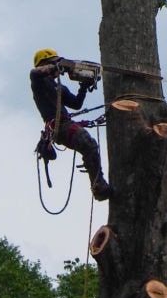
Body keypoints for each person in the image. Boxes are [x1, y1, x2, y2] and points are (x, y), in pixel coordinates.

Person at [30, 48, 112, 201]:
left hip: (66, 124)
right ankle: (98, 185)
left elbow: (76, 104)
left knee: (90, 145)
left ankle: (98, 182)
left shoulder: (59, 87)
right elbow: (35, 72)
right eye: (54, 64)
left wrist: (83, 87)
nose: (59, 71)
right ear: (45, 64)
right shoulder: (38, 83)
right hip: (58, 127)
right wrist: (56, 66)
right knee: (88, 143)